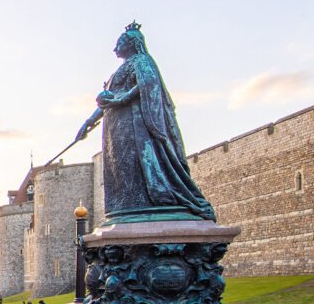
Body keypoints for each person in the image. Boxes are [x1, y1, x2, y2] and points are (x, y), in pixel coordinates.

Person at [75, 21, 215, 223]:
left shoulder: (142, 61)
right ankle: (128, 206)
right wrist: (89, 121)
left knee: (140, 163)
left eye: (119, 43)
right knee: (122, 169)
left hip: (136, 124)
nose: (115, 48)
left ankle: (156, 198)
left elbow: (147, 84)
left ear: (132, 43)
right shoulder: (119, 71)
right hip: (117, 129)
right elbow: (107, 101)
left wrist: (121, 100)